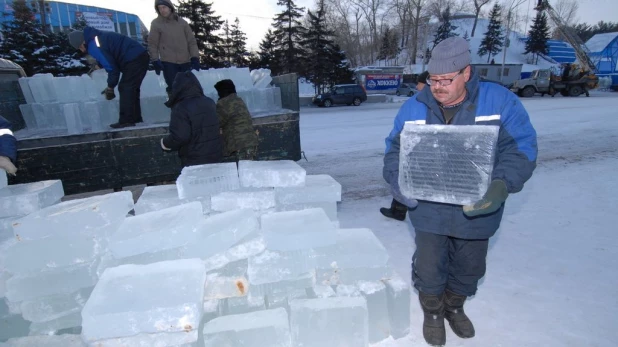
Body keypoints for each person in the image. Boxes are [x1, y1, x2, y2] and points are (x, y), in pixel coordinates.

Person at [383, 37, 537, 346]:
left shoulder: (500, 101)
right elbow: (393, 152)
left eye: (445, 80)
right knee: (429, 266)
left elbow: (522, 148)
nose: (437, 87)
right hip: (428, 206)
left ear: (466, 73)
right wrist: (399, 183)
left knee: (470, 267)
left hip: (477, 206)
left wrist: (501, 185)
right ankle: (433, 312)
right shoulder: (414, 107)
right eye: (432, 79)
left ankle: (454, 306)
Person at [68, 27, 149, 129]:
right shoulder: (96, 38)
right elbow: (109, 55)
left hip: (134, 58)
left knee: (125, 87)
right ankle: (135, 118)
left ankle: (126, 121)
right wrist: (98, 65)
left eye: (80, 47)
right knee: (131, 88)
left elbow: (112, 68)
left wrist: (110, 87)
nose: (81, 50)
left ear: (82, 41)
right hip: (139, 55)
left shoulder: (93, 45)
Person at [380, 70, 429, 222]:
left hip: (413, 157)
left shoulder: (412, 104)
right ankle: (398, 211)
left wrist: (390, 156)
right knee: (403, 184)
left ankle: (399, 212)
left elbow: (395, 134)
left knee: (405, 183)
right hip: (415, 156)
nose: (417, 88)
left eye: (419, 85)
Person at [160, 71, 222, 168]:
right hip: (215, 155)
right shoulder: (209, 102)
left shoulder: (181, 107)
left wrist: (165, 143)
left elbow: (180, 136)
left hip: (194, 159)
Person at [148, 0, 200, 98]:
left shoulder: (182, 23)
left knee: (188, 89)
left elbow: (191, 42)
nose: (162, 10)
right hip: (168, 63)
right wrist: (155, 59)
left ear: (170, 7)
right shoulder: (156, 24)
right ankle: (177, 111)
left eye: (164, 7)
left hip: (185, 61)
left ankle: (189, 111)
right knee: (174, 89)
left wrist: (194, 57)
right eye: (159, 8)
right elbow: (152, 44)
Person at [213, 79, 259, 162]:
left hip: (238, 144)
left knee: (243, 170)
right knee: (248, 169)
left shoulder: (223, 103)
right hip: (250, 141)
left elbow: (217, 122)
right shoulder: (239, 100)